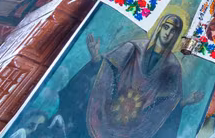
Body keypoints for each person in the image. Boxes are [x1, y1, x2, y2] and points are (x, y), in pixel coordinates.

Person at [53, 14, 201, 137]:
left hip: (136, 126)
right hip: (107, 111)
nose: (168, 33)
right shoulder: (133, 48)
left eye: (174, 31)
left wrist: (184, 103)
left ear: (176, 36)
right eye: (166, 27)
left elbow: (167, 103)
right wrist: (96, 58)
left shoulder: (173, 68)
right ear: (159, 27)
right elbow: (108, 70)